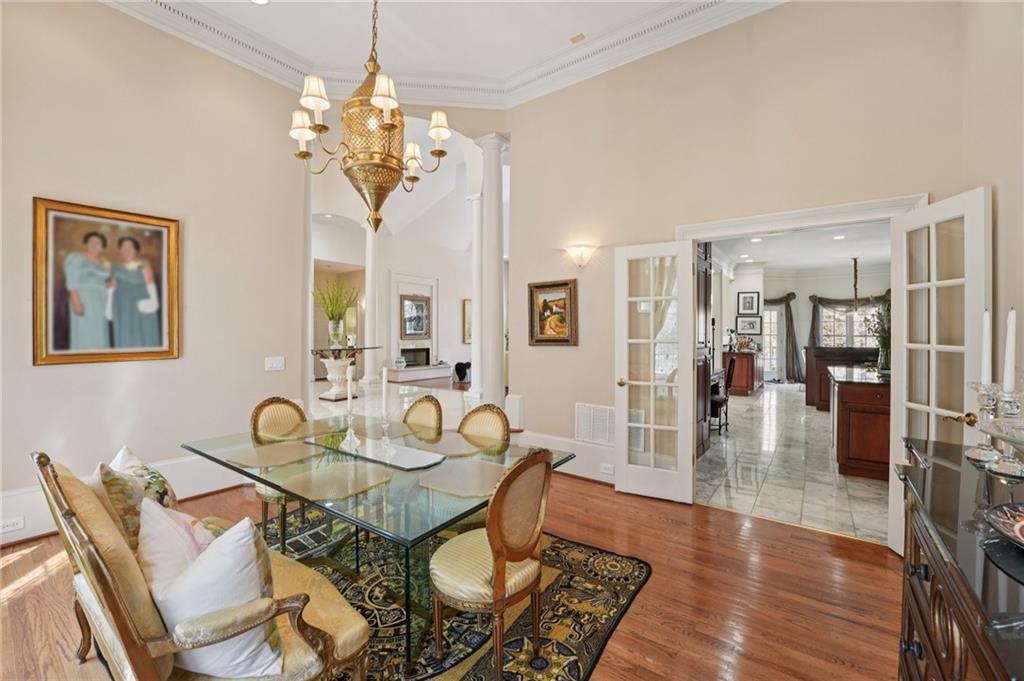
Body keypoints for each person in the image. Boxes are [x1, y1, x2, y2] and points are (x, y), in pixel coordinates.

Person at [64, 231, 112, 350]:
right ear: (86, 244)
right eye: (91, 242)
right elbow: (72, 281)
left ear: (102, 246)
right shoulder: (77, 257)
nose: (95, 244)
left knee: (99, 334)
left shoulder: (103, 264)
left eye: (98, 242)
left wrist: (109, 285)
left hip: (101, 303)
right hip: (84, 300)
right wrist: (76, 302)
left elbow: (98, 282)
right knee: (85, 334)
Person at [110, 235, 160, 348]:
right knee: (125, 336)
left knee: (143, 337)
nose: (126, 249)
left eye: (130, 246)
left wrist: (154, 302)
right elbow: (111, 287)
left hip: (141, 306)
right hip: (122, 307)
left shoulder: (143, 263)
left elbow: (150, 283)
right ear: (120, 249)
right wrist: (109, 307)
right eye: (124, 246)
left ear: (136, 249)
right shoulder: (115, 267)